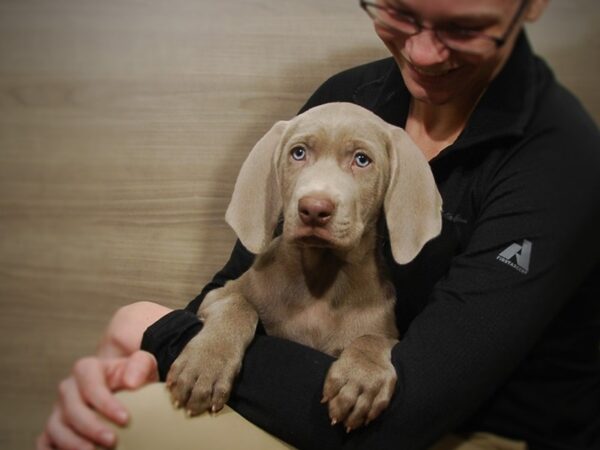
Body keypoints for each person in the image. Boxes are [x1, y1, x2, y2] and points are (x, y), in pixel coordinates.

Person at [38, 0, 600, 449]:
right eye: (398, 12)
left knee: (129, 429)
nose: (424, 54)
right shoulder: (349, 99)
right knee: (110, 414)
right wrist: (148, 362)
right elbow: (241, 277)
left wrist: (157, 329)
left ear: (533, 5)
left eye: (466, 28)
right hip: (326, 404)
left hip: (470, 433)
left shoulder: (561, 160)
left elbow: (407, 418)